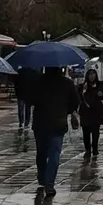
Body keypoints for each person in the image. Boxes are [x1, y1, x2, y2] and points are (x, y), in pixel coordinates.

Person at [31, 67, 80, 197]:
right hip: (58, 123)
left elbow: (31, 100)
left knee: (41, 152)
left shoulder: (38, 81)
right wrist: (65, 110)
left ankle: (42, 177)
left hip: (40, 122)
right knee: (54, 154)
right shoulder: (67, 83)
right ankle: (49, 184)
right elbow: (75, 102)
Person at [78, 69, 103, 160]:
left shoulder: (100, 84)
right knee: (86, 133)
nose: (91, 76)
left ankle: (95, 148)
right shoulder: (83, 86)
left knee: (95, 132)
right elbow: (78, 97)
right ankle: (87, 150)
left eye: (93, 74)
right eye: (90, 74)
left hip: (96, 112)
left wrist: (101, 94)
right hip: (85, 112)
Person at [14, 67, 40, 131]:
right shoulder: (34, 72)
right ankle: (26, 123)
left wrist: (17, 92)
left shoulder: (19, 72)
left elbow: (16, 83)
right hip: (29, 94)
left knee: (21, 109)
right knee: (27, 109)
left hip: (20, 93)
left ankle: (21, 122)